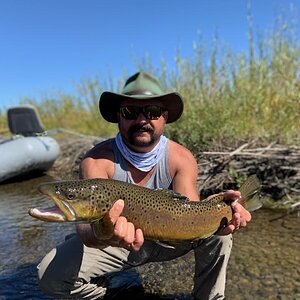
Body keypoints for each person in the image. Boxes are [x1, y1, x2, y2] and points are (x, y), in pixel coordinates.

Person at [37, 71, 251, 299]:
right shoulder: (96, 159)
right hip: (114, 241)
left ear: (164, 117)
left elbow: (190, 214)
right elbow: (85, 231)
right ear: (119, 116)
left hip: (171, 237)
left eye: (152, 112)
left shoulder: (181, 158)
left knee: (220, 235)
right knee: (50, 275)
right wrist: (103, 232)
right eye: (130, 112)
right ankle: (112, 295)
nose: (141, 120)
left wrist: (220, 208)